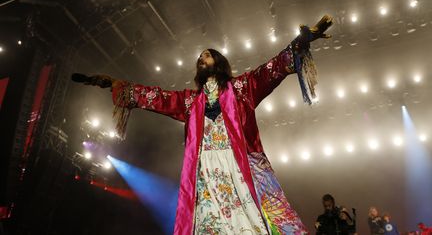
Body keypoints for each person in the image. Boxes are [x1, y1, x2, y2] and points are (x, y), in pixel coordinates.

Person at [79, 16, 333, 234]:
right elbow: (157, 97)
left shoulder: (243, 88)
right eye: (200, 57)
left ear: (220, 63)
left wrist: (300, 43)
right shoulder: (191, 102)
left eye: (207, 55)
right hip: (206, 175)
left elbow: (272, 69)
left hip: (240, 168)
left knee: (254, 224)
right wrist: (117, 85)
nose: (202, 58)